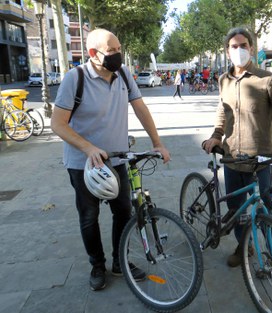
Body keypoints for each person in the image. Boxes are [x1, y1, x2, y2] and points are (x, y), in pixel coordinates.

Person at [51, 28, 170, 291]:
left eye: (119, 48)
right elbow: (57, 124)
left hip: (117, 160)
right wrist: (88, 148)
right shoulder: (75, 78)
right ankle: (97, 264)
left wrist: (157, 142)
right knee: (89, 217)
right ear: (94, 54)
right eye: (113, 51)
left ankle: (120, 262)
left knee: (123, 213)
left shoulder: (124, 74)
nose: (119, 55)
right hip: (83, 164)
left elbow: (140, 108)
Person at [202, 27, 272, 268]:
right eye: (233, 46)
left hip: (259, 160)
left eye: (243, 45)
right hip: (231, 159)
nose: (238, 50)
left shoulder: (267, 79)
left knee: (267, 212)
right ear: (227, 51)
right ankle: (244, 246)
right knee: (237, 211)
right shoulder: (223, 80)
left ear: (251, 48)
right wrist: (216, 135)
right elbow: (222, 112)